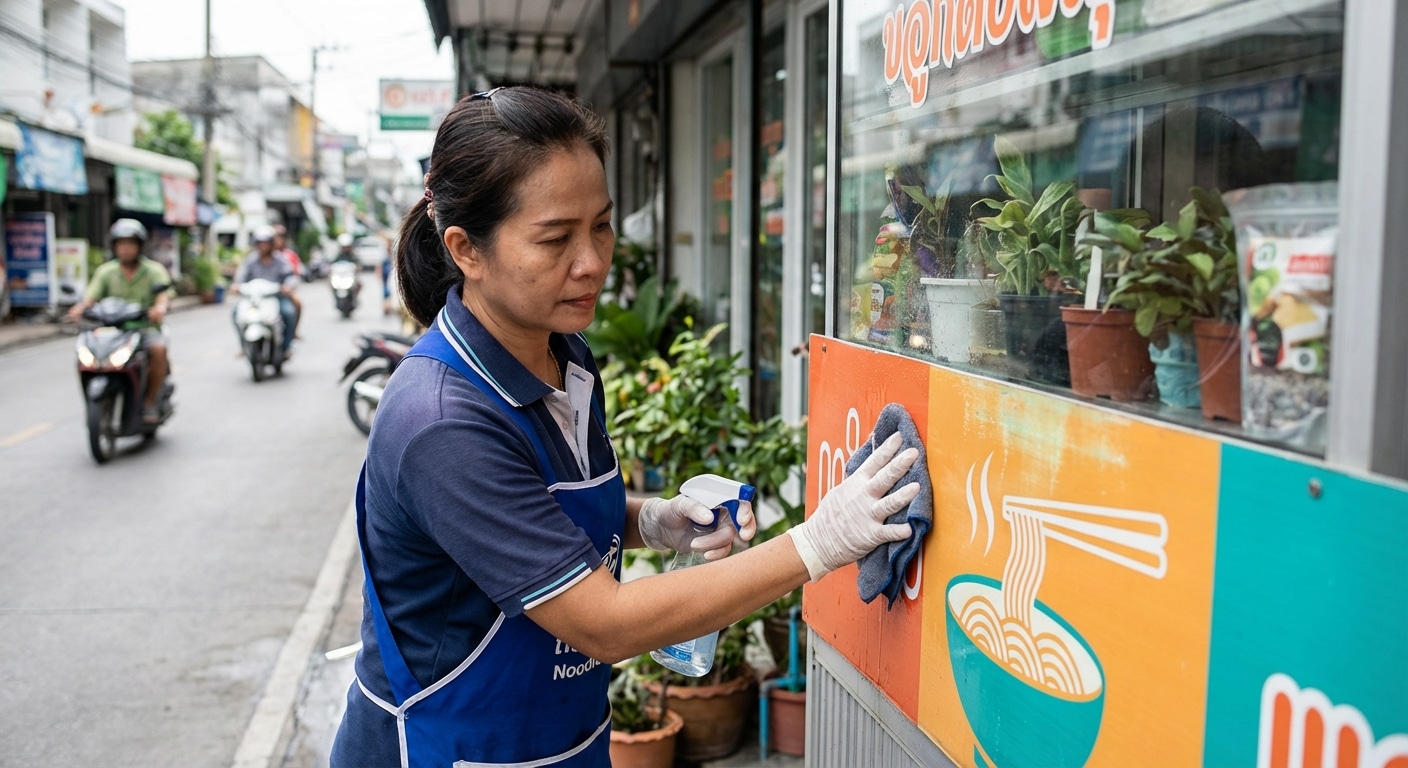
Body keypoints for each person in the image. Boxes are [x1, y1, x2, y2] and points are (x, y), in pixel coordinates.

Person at [329, 85, 920, 767]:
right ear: (466, 250)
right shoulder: (443, 422)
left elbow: (542, 515)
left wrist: (656, 520)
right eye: (555, 238)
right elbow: (603, 624)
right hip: (446, 751)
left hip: (564, 744)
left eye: (602, 226)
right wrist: (818, 542)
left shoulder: (565, 356)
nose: (592, 262)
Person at [67, 218, 172, 424]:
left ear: (140, 246)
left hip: (143, 328)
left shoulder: (154, 270)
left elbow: (163, 296)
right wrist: (78, 310)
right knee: (85, 355)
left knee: (159, 350)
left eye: (131, 244)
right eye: (122, 244)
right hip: (113, 330)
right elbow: (90, 298)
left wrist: (159, 309)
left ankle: (149, 402)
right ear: (114, 246)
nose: (126, 249)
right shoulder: (106, 271)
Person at [231, 225, 299, 358]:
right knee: (236, 313)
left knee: (289, 312)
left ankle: (286, 346)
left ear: (271, 244)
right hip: (255, 298)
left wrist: (287, 286)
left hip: (276, 297)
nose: (263, 246)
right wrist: (236, 286)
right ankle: (243, 345)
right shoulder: (251, 260)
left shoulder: (280, 260)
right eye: (260, 243)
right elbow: (241, 277)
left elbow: (291, 277)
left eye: (266, 243)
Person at [271, 224, 303, 334]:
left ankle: (293, 331)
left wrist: (287, 287)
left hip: (284, 291)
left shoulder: (288, 255)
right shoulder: (260, 256)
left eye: (280, 236)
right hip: (264, 291)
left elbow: (295, 274)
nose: (277, 240)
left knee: (296, 304)